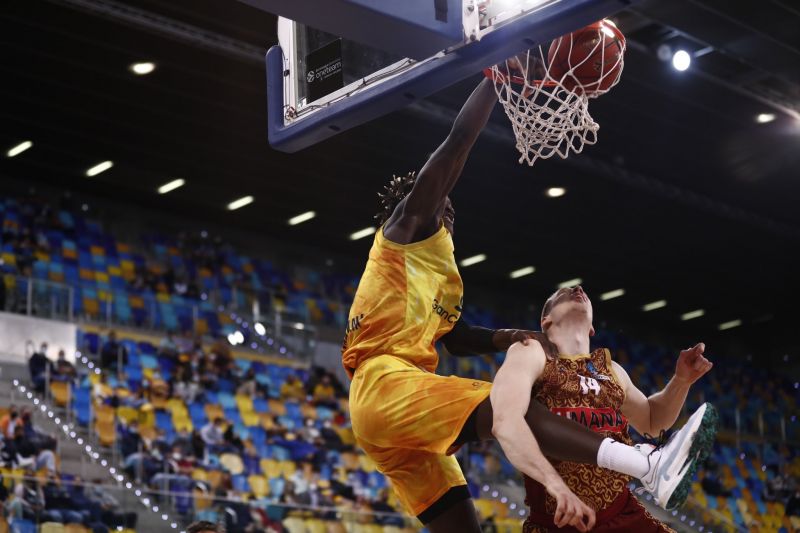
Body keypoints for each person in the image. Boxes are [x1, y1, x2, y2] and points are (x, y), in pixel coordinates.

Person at [342, 77, 716, 533]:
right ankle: (644, 463)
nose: (448, 211)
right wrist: (494, 80)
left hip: (389, 420)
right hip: (385, 383)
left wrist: (511, 335)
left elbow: (456, 340)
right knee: (504, 406)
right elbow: (457, 143)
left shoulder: (443, 278)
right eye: (442, 202)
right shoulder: (404, 234)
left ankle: (643, 462)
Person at [494, 285, 715, 532]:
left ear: (591, 327)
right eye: (561, 293)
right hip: (560, 520)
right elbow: (505, 420)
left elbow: (653, 422)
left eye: (581, 291)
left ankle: (650, 466)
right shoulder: (533, 351)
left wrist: (681, 381)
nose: (577, 288)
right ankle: (648, 466)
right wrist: (555, 485)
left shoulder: (612, 370)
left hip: (622, 513)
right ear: (546, 320)